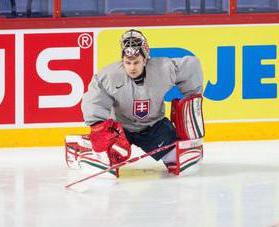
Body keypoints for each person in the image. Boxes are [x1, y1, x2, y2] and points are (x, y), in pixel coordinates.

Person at [81, 29, 204, 175]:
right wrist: (100, 127)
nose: (132, 67)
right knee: (107, 159)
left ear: (145, 60)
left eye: (136, 62)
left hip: (154, 127)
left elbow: (191, 66)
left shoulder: (163, 69)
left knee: (182, 161)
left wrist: (191, 101)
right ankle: (89, 149)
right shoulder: (109, 76)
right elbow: (94, 101)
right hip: (121, 130)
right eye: (127, 62)